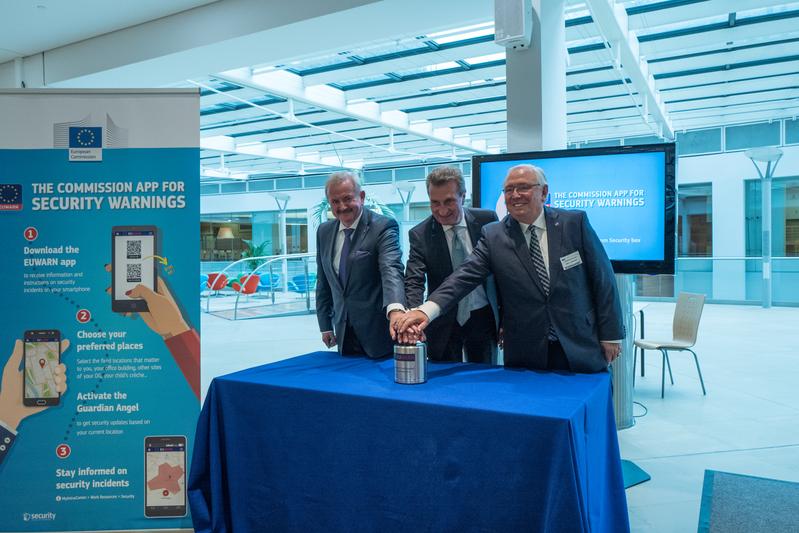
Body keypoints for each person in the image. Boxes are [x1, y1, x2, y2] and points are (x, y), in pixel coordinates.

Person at [396, 164, 623, 373]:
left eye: (523, 188)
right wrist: (425, 310)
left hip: (578, 341)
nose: (515, 195)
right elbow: (464, 277)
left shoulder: (574, 223)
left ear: (543, 192)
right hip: (526, 347)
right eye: (508, 190)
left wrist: (611, 334)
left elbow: (603, 280)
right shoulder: (494, 235)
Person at [404, 166, 499, 363]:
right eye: (434, 203)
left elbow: (501, 273)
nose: (442, 210)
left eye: (449, 201)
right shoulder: (419, 234)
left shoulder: (486, 221)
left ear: (463, 196)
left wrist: (505, 318)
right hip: (442, 319)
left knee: (483, 377)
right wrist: (414, 314)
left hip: (482, 316)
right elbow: (414, 280)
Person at [316, 172, 406, 358]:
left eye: (348, 199)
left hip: (378, 333)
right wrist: (325, 325)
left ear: (362, 197)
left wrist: (396, 309)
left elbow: (391, 270)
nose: (342, 206)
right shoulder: (324, 231)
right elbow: (323, 280)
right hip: (343, 332)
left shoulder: (383, 227)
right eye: (335, 201)